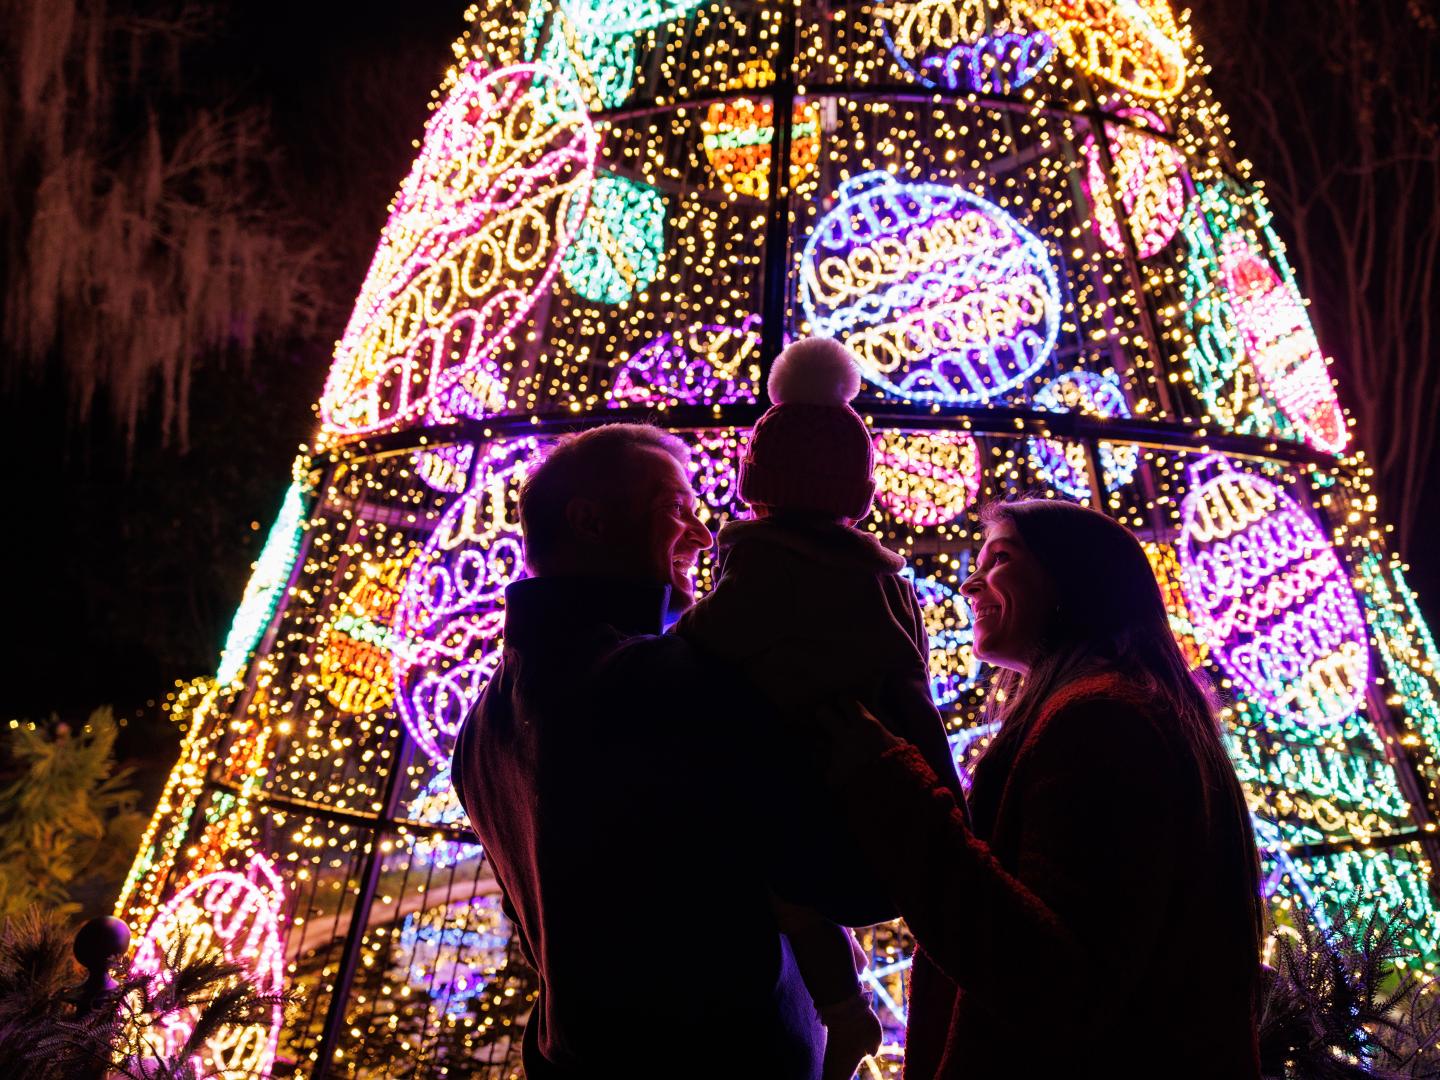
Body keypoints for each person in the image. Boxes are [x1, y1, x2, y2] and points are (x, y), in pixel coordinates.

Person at [450, 423, 893, 1079]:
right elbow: (849, 880)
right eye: (677, 511)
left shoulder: (479, 729)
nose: (704, 535)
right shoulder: (666, 681)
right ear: (590, 521)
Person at [813, 499, 1264, 1078]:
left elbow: (1052, 976)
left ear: (1072, 577)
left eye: (999, 558)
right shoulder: (1121, 705)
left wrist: (890, 783)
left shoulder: (1102, 718)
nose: (971, 583)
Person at [676, 338, 962, 1079]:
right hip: (869, 780)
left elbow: (708, 642)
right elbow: (909, 678)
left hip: (792, 772)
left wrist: (676, 621)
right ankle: (846, 1006)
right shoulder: (881, 577)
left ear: (755, 482)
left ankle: (842, 1010)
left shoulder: (763, 563)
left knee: (776, 878)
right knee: (799, 884)